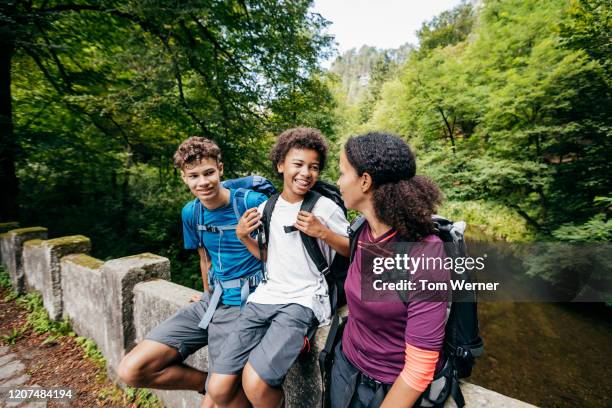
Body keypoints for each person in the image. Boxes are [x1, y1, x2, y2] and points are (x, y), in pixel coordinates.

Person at [117, 136, 268, 408]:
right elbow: (205, 259)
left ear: (221, 169)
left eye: (209, 172)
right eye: (194, 176)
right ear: (183, 178)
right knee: (132, 370)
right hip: (211, 304)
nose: (203, 182)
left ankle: (218, 390)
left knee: (215, 400)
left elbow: (282, 255)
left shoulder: (252, 202)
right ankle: (207, 384)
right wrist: (206, 294)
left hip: (247, 305)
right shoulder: (192, 213)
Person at [207, 127, 350, 408]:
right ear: (281, 165)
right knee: (219, 388)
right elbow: (268, 257)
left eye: (314, 167)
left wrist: (324, 233)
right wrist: (242, 236)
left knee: (255, 382)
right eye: (298, 164)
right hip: (265, 297)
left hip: (303, 300)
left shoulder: (325, 208)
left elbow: (354, 250)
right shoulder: (266, 208)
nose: (305, 173)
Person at [331, 132, 449, 408]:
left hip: (385, 387)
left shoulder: (423, 254)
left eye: (342, 172)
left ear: (365, 181)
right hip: (345, 367)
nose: (338, 182)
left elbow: (419, 369)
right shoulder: (362, 230)